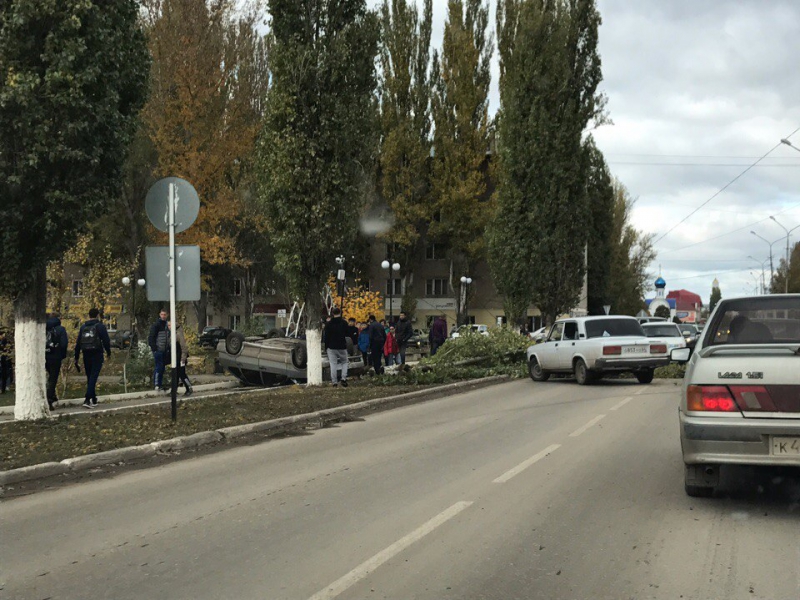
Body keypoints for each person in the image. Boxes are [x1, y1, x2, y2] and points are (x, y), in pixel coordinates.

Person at [74, 308, 111, 408]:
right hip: (97, 354)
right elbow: (106, 341)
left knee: (90, 377)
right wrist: (108, 352)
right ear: (98, 315)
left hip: (86, 354)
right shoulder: (100, 326)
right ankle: (87, 399)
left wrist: (76, 357)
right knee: (93, 376)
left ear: (89, 315)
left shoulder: (83, 327)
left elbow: (78, 343)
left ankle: (93, 399)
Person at [45, 314, 69, 410]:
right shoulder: (61, 329)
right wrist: (62, 355)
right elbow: (64, 344)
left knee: (49, 377)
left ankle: (52, 396)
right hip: (55, 357)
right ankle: (49, 400)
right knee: (53, 378)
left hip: (45, 356)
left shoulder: (44, 328)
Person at [323, 307, 350, 386]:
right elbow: (347, 333)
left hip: (331, 347)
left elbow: (326, 337)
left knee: (333, 364)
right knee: (344, 362)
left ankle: (334, 382)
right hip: (342, 346)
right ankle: (343, 378)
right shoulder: (344, 323)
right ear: (340, 312)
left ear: (332, 313)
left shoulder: (329, 324)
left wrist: (326, 347)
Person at [167, 321, 193, 395]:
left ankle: (189, 388)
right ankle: (173, 391)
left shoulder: (178, 334)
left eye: (170, 325)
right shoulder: (172, 334)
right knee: (175, 375)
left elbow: (183, 347)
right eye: (168, 325)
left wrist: (183, 359)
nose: (169, 327)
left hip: (180, 358)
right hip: (175, 358)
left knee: (182, 374)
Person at [148, 308, 169, 391]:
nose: (163, 316)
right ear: (160, 315)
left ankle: (160, 384)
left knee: (162, 367)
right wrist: (154, 349)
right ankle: (157, 384)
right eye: (162, 314)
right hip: (158, 350)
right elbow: (151, 337)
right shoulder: (156, 325)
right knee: (159, 367)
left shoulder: (167, 325)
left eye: (165, 315)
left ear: (167, 315)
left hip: (164, 350)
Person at [0, 328, 11, 394]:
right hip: (3, 360)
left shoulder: (5, 341)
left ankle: (4, 387)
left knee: (4, 374)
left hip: (4, 360)